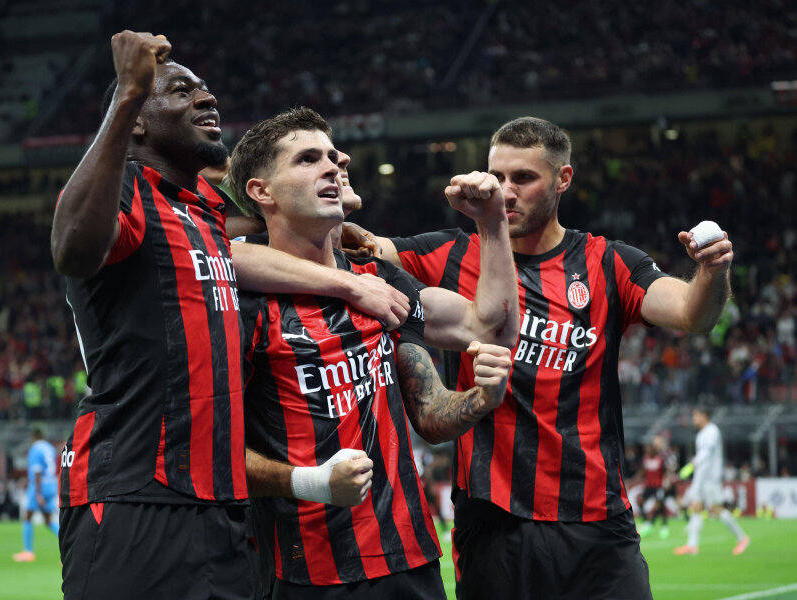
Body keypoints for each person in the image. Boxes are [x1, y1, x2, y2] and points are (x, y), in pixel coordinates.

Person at [51, 32, 409, 600]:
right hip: (135, 493)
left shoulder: (203, 214)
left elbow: (266, 228)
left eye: (205, 87)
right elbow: (71, 248)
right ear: (137, 122)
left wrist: (338, 227)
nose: (206, 96)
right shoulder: (127, 192)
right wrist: (127, 93)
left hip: (223, 507)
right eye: (180, 90)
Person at [374, 116, 734, 598]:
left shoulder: (609, 262)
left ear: (563, 179)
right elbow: (355, 248)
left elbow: (693, 314)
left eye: (523, 178)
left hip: (597, 524)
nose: (505, 193)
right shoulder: (447, 254)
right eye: (497, 177)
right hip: (494, 522)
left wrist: (712, 272)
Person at [227, 107, 516, 599]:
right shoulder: (243, 303)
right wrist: (309, 482)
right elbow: (212, 451)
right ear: (261, 191)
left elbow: (484, 332)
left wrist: (492, 223)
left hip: (410, 559)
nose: (332, 167)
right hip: (306, 573)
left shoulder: (380, 281)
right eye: (307, 159)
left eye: (332, 157)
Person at [674, 406, 750, 556]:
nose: (693, 419)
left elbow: (706, 453)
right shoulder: (701, 434)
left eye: (696, 415)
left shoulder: (712, 431)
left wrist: (692, 464)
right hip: (702, 477)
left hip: (711, 478)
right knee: (696, 507)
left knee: (716, 509)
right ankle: (692, 545)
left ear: (704, 415)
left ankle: (742, 538)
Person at [13, 428, 60, 562]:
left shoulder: (35, 449)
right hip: (51, 485)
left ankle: (28, 552)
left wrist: (38, 493)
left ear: (33, 437)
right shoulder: (50, 448)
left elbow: (37, 471)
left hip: (39, 487)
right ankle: (71, 543)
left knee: (27, 517)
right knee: (48, 520)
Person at [639, 435, 670, 539]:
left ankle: (663, 526)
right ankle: (647, 523)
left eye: (648, 449)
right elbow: (643, 471)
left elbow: (665, 471)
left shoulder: (660, 459)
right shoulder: (645, 459)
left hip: (658, 486)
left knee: (659, 505)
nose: (647, 451)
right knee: (641, 502)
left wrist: (666, 481)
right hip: (648, 485)